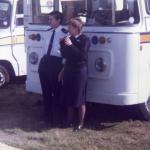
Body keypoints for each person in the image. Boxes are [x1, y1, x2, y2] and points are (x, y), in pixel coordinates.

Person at [59, 18, 90, 132]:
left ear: (77, 28)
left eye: (70, 28)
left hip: (80, 71)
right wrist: (62, 44)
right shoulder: (69, 39)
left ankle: (80, 123)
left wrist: (71, 45)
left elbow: (82, 56)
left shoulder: (85, 40)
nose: (68, 30)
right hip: (69, 69)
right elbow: (65, 55)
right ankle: (69, 121)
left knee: (79, 97)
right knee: (69, 95)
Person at [38, 11, 67, 125]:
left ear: (58, 20)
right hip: (45, 61)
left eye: (51, 19)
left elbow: (66, 53)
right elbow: (43, 48)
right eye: (48, 19)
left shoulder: (65, 34)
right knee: (46, 91)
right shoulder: (47, 32)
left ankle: (59, 117)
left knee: (57, 90)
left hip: (56, 62)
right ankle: (47, 116)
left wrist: (63, 67)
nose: (49, 21)